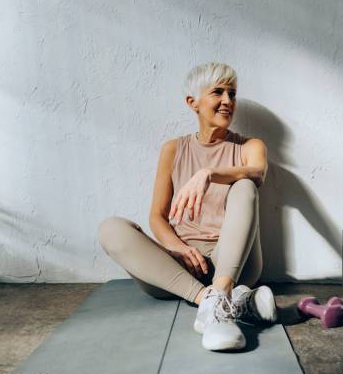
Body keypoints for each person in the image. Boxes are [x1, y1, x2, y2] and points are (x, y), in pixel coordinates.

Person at [98, 62, 277, 351]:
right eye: (218, 92)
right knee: (110, 228)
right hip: (178, 270)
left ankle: (221, 293)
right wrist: (177, 248)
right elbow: (157, 216)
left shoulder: (249, 146)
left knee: (245, 184)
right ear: (192, 103)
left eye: (232, 93)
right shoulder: (173, 149)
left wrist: (208, 173)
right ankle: (223, 301)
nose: (228, 101)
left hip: (233, 264)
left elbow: (257, 172)